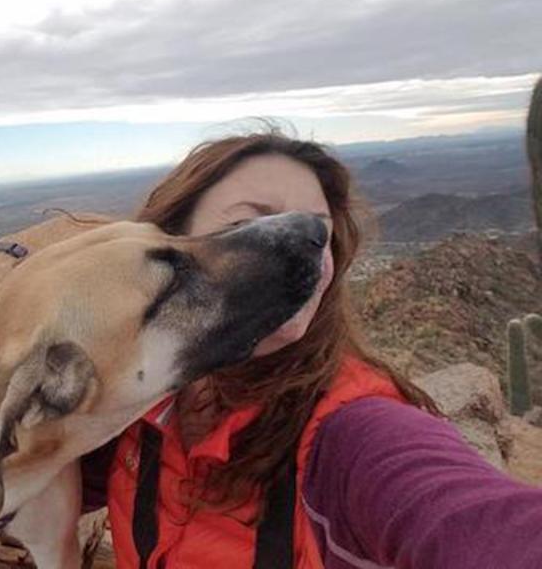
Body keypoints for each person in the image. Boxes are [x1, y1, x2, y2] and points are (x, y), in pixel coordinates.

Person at [80, 130, 542, 569]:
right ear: (167, 245)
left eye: (315, 231)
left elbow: (469, 521)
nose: (299, 248)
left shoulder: (353, 436)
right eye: (246, 223)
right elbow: (27, 480)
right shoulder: (138, 403)